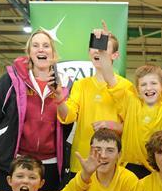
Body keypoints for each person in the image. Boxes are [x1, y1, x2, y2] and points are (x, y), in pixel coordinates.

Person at [97, 20, 162, 178]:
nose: (148, 88)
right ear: (137, 90)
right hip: (129, 168)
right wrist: (103, 49)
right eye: (143, 84)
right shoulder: (130, 102)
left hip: (157, 170)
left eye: (153, 83)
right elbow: (109, 76)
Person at [0, 29, 66, 191]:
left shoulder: (65, 84)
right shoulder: (12, 79)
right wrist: (4, 137)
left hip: (50, 164)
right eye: (35, 46)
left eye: (46, 45)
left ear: (53, 52)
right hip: (16, 161)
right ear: (29, 53)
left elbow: (69, 122)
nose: (41, 49)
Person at [56, 26, 132, 178]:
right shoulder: (80, 85)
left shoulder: (126, 86)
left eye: (103, 47)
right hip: (83, 161)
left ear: (115, 55)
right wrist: (59, 98)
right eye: (95, 47)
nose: (98, 51)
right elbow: (68, 116)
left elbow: (132, 127)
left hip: (111, 164)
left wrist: (112, 125)